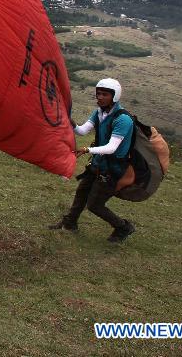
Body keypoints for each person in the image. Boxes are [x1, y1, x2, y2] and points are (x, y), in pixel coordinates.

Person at [49, 78, 136, 243]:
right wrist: (71, 123)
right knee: (82, 192)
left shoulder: (123, 119)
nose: (100, 97)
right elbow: (82, 131)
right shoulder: (99, 113)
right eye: (98, 94)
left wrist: (88, 149)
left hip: (112, 169)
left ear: (114, 96)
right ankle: (70, 223)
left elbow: (112, 147)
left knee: (95, 205)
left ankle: (123, 226)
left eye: (104, 94)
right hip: (97, 164)